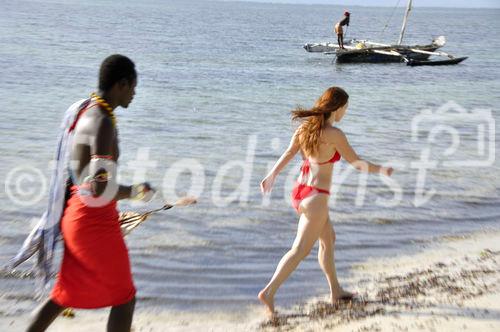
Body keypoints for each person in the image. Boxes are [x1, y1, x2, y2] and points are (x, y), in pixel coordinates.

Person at [26, 54, 154, 332]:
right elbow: (98, 187)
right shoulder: (103, 121)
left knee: (62, 296)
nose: (135, 93)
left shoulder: (87, 110)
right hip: (92, 224)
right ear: (122, 84)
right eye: (133, 87)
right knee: (124, 298)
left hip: (79, 216)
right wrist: (136, 191)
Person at [258, 87, 393, 317]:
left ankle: (335, 291)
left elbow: (290, 153)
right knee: (299, 250)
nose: (345, 112)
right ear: (338, 108)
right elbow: (356, 162)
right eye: (346, 108)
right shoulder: (334, 134)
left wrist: (271, 175)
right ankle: (269, 292)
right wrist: (382, 170)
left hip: (302, 192)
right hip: (317, 198)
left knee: (328, 239)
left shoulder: (306, 129)